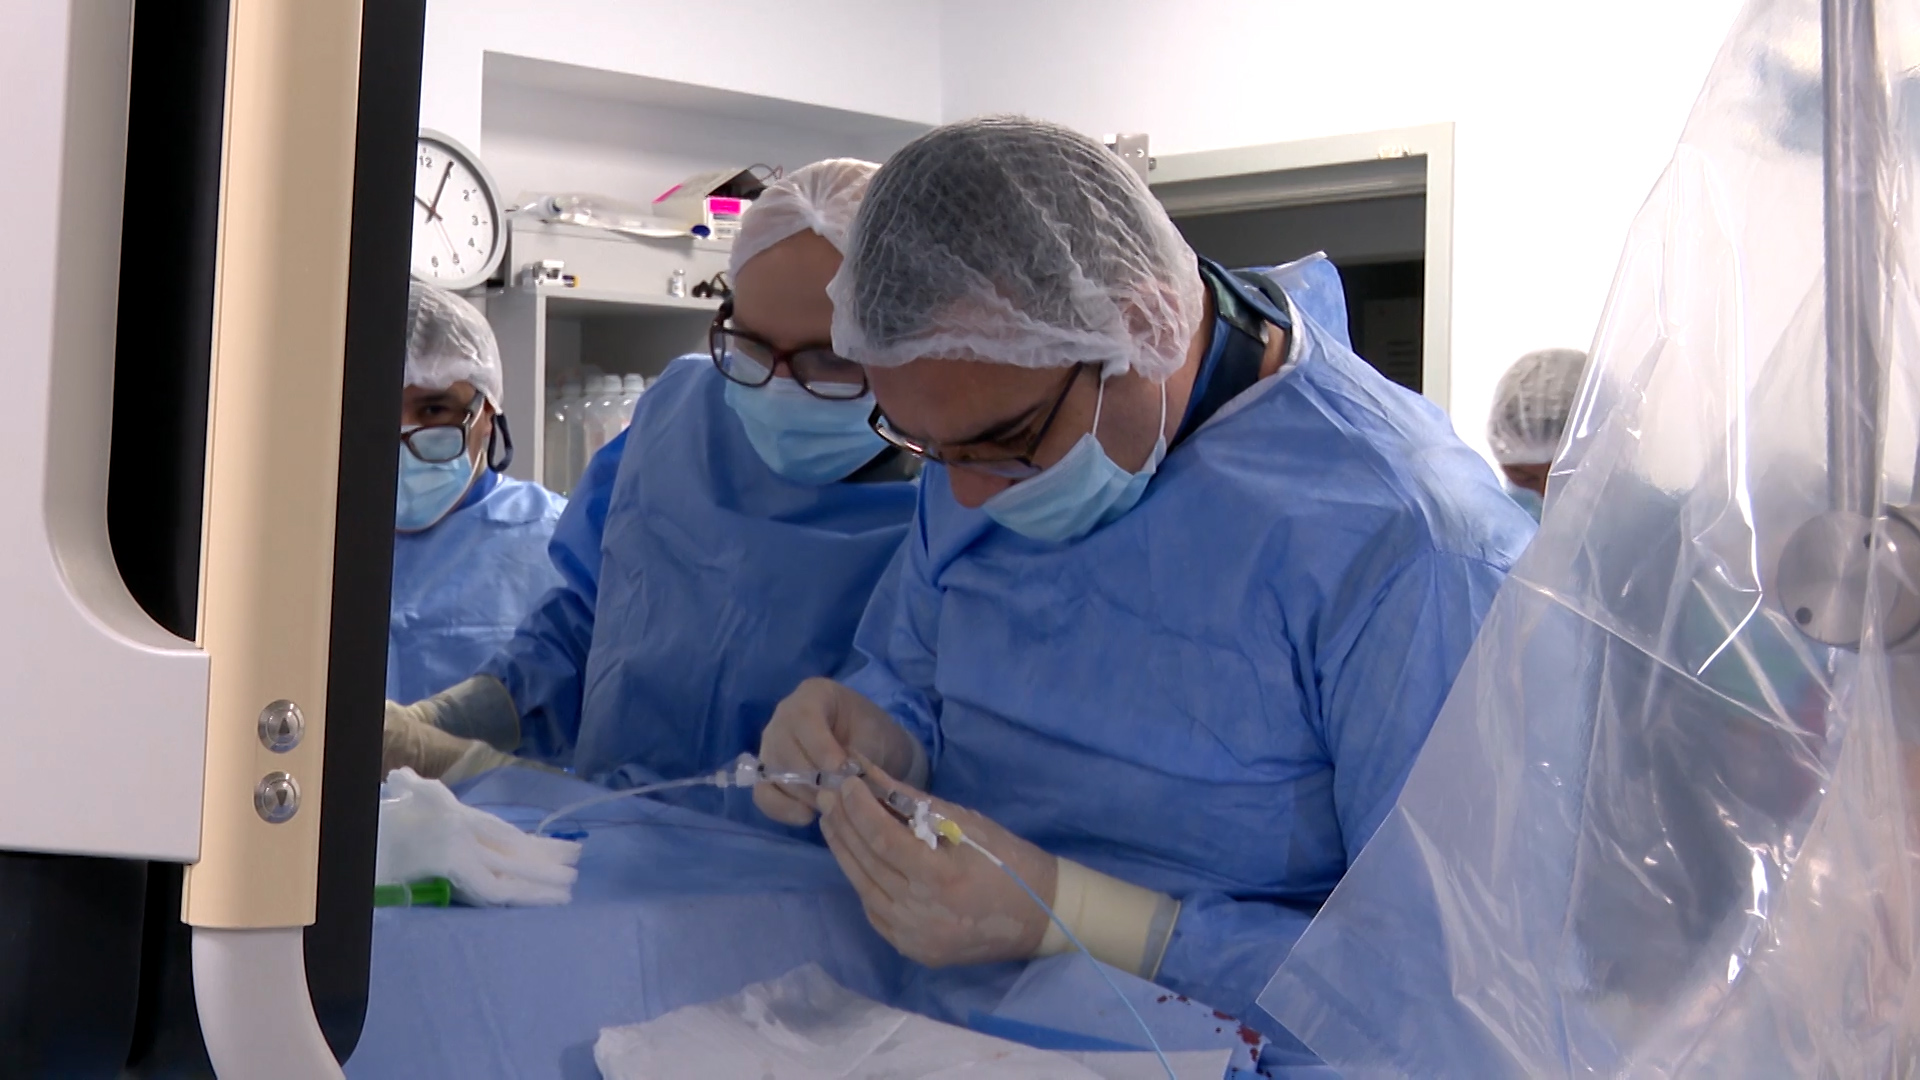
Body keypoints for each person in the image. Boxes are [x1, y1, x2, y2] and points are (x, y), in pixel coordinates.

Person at [750, 117, 1536, 1040]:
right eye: (927, 446)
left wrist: (1078, 917)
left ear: (1145, 330)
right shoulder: (981, 421)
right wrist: (883, 733)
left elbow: (1457, 988)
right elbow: (916, 669)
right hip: (961, 1031)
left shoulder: (1415, 546)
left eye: (1005, 444)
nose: (966, 493)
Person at [382, 160, 920, 815]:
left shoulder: (949, 503)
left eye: (828, 357)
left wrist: (490, 773)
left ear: (905, 345)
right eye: (751, 347)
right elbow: (585, 622)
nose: (778, 386)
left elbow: (899, 754)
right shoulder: (682, 414)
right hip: (604, 852)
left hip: (791, 869)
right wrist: (449, 723)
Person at [387, 283, 566, 705]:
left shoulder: (557, 544)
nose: (404, 434)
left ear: (486, 414)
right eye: (382, 407)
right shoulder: (308, 538)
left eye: (434, 410)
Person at [1487, 347, 1587, 521]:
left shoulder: (1638, 522)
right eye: (1524, 477)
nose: (1544, 493)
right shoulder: (1488, 528)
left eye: (1566, 478)